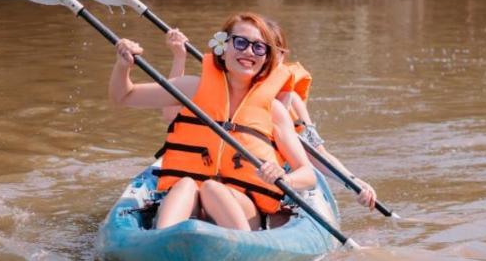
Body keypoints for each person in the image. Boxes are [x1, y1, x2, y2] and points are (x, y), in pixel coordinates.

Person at [110, 12, 317, 231]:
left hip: (243, 206)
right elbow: (124, 96)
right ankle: (163, 241)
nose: (248, 51)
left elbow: (308, 174)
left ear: (266, 58)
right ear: (223, 47)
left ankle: (240, 247)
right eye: (240, 42)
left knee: (212, 189)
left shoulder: (273, 110)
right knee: (186, 185)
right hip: (189, 202)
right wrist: (123, 66)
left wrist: (283, 176)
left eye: (258, 47)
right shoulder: (192, 88)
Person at [159, 21, 379, 211]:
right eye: (247, 46)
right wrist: (179, 58)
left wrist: (353, 182)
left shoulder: (291, 104)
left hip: (269, 181)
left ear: (281, 56)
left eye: (267, 50)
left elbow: (317, 154)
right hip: (212, 174)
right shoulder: (225, 88)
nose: (252, 54)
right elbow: (171, 116)